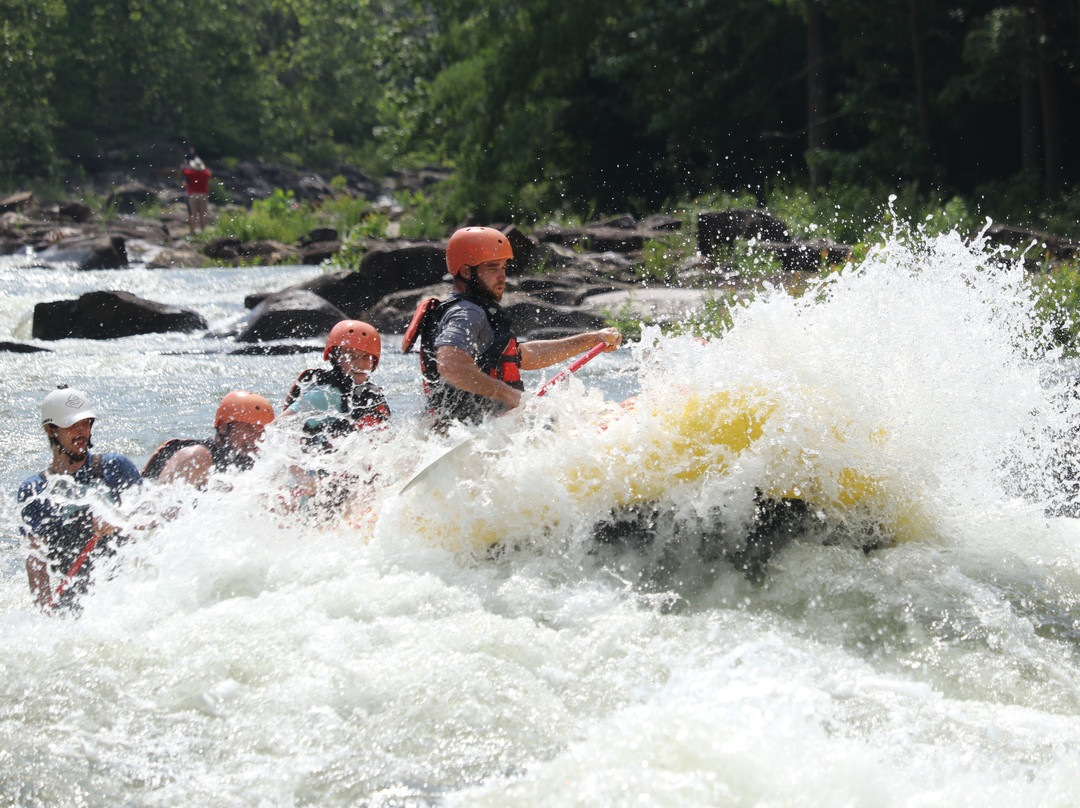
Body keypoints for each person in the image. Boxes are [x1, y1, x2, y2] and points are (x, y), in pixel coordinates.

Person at [405, 226, 622, 429]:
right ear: (466, 272)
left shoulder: (472, 310)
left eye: (503, 267)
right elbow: (450, 365)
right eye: (492, 267)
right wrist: (513, 397)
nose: (502, 276)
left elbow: (522, 356)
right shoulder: (467, 313)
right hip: (468, 434)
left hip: (473, 430)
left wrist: (591, 339)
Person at [17, 386, 143, 610]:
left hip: (126, 591)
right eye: (72, 425)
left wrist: (118, 520)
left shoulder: (116, 467)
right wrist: (44, 614)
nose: (82, 431)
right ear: (50, 430)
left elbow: (151, 520)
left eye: (86, 423)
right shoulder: (34, 490)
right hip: (77, 600)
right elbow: (36, 561)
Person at [280, 319, 391, 450]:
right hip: (316, 460)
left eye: (366, 357)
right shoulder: (326, 394)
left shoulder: (371, 396)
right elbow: (278, 427)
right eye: (351, 356)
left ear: (374, 361)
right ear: (337, 359)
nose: (360, 364)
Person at [143, 390, 275, 487]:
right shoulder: (197, 457)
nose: (256, 437)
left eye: (261, 431)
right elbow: (156, 507)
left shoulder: (253, 460)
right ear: (223, 427)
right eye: (248, 429)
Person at [181, 154, 212, 235]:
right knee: (202, 214)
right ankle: (203, 231)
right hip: (203, 194)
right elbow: (208, 184)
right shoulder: (206, 174)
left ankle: (192, 231)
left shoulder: (189, 173)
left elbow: (184, 180)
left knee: (193, 214)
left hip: (193, 194)